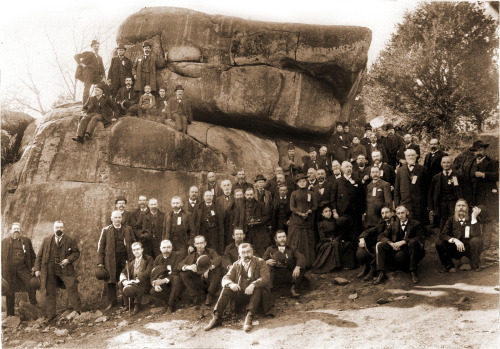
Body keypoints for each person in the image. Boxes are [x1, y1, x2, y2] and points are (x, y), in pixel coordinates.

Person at [204, 243, 270, 332]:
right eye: (243, 253)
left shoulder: (260, 262)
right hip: (241, 294)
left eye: (248, 252)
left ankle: (249, 318)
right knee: (226, 289)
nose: (246, 255)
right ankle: (216, 318)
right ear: (239, 254)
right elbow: (226, 278)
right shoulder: (236, 264)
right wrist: (231, 284)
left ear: (252, 252)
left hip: (256, 296)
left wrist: (253, 284)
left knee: (257, 288)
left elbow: (265, 278)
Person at [34, 221, 82, 322]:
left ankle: (77, 311)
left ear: (63, 228)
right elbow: (39, 256)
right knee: (50, 292)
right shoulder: (47, 240)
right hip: (49, 269)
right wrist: (37, 269)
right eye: (56, 227)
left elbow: (76, 252)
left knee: (72, 288)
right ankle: (51, 315)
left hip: (65, 268)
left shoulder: (70, 240)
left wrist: (68, 260)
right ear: (53, 228)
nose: (58, 229)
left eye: (60, 227)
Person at [374, 205, 425, 285]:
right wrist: (391, 243)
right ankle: (381, 273)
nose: (400, 216)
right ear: (396, 214)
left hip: (411, 251)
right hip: (397, 250)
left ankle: (413, 271)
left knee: (413, 242)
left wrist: (404, 242)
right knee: (381, 245)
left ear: (407, 213)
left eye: (402, 213)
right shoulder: (394, 225)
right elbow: (381, 236)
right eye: (398, 213)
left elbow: (420, 238)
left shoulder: (416, 224)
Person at [97, 210, 136, 311]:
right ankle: (112, 303)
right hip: (111, 260)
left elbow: (134, 243)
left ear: (122, 218)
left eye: (119, 217)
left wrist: (133, 258)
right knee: (110, 281)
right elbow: (101, 247)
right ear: (111, 218)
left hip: (125, 259)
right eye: (115, 217)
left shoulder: (128, 229)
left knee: (124, 279)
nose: (117, 219)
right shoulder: (106, 230)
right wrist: (100, 262)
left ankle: (126, 302)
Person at [435, 200, 483, 272]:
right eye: (459, 205)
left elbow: (477, 235)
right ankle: (448, 265)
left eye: (463, 206)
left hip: (469, 250)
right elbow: (443, 235)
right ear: (455, 209)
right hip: (455, 250)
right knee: (439, 243)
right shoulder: (451, 220)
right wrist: (454, 240)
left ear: (467, 209)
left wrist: (473, 217)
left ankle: (475, 263)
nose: (461, 208)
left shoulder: (473, 218)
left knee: (476, 240)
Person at [1, 223, 38, 317]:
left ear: (20, 230)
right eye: (14, 229)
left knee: (31, 283)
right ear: (11, 230)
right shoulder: (4, 242)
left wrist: (34, 266)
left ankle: (33, 306)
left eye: (18, 228)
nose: (16, 230)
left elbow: (33, 256)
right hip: (9, 270)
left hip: (23, 268)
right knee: (9, 290)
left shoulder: (26, 241)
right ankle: (10, 315)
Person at [178, 235, 222, 307]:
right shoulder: (192, 255)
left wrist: (209, 268)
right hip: (198, 282)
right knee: (183, 273)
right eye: (197, 243)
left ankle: (209, 295)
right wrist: (189, 267)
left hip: (210, 281)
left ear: (205, 243)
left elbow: (218, 259)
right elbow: (179, 265)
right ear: (194, 245)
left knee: (216, 270)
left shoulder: (211, 252)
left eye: (201, 243)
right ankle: (195, 296)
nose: (200, 245)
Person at [330, 161, 365, 249]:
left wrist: (363, 212)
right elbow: (333, 199)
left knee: (355, 236)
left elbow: (362, 198)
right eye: (346, 167)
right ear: (341, 169)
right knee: (343, 236)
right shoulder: (337, 182)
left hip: (355, 214)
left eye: (350, 166)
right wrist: (334, 211)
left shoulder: (357, 180)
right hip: (342, 213)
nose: (349, 168)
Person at [462, 140, 499, 221]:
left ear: (485, 150)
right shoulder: (469, 163)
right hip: (472, 197)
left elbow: (497, 175)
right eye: (476, 151)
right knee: (473, 218)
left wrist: (484, 175)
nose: (478, 152)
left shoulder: (493, 163)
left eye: (480, 150)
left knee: (485, 218)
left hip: (486, 197)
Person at [357, 206, 395, 281]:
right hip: (381, 246)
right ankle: (367, 267)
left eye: (387, 212)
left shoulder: (397, 223)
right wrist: (361, 239)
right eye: (382, 213)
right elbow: (367, 231)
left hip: (393, 248)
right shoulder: (381, 224)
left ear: (392, 213)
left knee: (379, 246)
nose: (385, 215)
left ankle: (373, 270)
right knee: (364, 247)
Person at [263, 230, 306, 297]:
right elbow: (262, 260)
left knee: (301, 268)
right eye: (279, 237)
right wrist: (267, 261)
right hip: (277, 274)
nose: (282, 239)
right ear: (275, 239)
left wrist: (297, 267)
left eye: (284, 236)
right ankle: (270, 290)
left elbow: (301, 258)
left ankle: (293, 289)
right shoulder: (270, 249)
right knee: (268, 267)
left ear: (286, 237)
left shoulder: (292, 248)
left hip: (289, 273)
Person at [288, 173, 318, 267]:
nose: (302, 183)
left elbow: (315, 205)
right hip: (296, 220)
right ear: (297, 183)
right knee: (295, 240)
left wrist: (310, 211)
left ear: (307, 182)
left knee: (307, 240)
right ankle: (295, 262)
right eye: (300, 181)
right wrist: (299, 213)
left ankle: (308, 262)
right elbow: (292, 207)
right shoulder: (294, 193)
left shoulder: (311, 193)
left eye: (304, 181)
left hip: (308, 219)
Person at [394, 149, 430, 225]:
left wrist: (427, 204)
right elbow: (397, 190)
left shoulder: (423, 169)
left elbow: (427, 189)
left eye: (412, 155)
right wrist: (397, 205)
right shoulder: (400, 171)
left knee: (420, 225)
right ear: (405, 157)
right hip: (405, 203)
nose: (411, 157)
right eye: (408, 155)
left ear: (416, 156)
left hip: (420, 203)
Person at [233, 187, 271, 257]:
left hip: (257, 232)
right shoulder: (241, 206)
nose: (249, 197)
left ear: (253, 195)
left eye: (251, 195)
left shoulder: (260, 205)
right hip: (245, 232)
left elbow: (266, 217)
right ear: (245, 195)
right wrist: (236, 231)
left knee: (258, 250)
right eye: (247, 195)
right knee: (246, 250)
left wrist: (258, 220)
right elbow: (237, 220)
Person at [428, 156, 463, 229]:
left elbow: (463, 191)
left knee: (455, 220)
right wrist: (431, 207)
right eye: (444, 162)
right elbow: (431, 193)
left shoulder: (458, 176)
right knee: (443, 222)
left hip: (453, 203)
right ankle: (443, 238)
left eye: (448, 162)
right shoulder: (436, 177)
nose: (446, 164)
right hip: (441, 203)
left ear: (452, 164)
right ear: (441, 164)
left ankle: (455, 238)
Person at [118, 242, 154, 315]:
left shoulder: (148, 259)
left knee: (140, 278)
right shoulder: (131, 261)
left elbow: (148, 272)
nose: (136, 251)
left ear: (142, 250)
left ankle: (138, 305)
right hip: (133, 283)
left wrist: (138, 279)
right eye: (134, 250)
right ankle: (127, 305)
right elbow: (123, 272)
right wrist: (125, 281)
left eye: (138, 249)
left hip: (145, 283)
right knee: (120, 283)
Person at [149, 240, 183, 313]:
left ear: (171, 248)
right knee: (153, 291)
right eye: (164, 247)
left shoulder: (177, 255)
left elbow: (176, 271)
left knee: (176, 278)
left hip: (176, 283)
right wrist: (155, 284)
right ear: (160, 249)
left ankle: (171, 306)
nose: (166, 249)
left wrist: (163, 280)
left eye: (168, 247)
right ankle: (169, 302)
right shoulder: (158, 258)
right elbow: (153, 274)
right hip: (165, 285)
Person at [311, 205, 341, 273]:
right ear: (322, 214)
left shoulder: (335, 221)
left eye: (330, 211)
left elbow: (339, 233)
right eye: (326, 211)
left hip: (335, 240)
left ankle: (338, 265)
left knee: (336, 243)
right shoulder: (321, 224)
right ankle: (332, 266)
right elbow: (322, 238)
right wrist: (330, 240)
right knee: (332, 244)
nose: (328, 213)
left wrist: (336, 238)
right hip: (325, 242)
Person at [74, 39, 105, 104]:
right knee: (87, 88)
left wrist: (104, 77)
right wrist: (81, 64)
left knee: (103, 84)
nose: (96, 47)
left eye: (97, 46)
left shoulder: (100, 58)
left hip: (96, 75)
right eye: (95, 46)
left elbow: (102, 68)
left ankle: (101, 102)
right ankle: (85, 105)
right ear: (92, 47)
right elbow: (76, 56)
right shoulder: (88, 53)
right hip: (88, 74)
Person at [216, 180, 236, 247]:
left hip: (232, 224)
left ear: (231, 186)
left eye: (228, 185)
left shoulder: (235, 198)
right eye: (224, 185)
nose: (227, 187)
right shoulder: (218, 200)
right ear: (221, 187)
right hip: (223, 225)